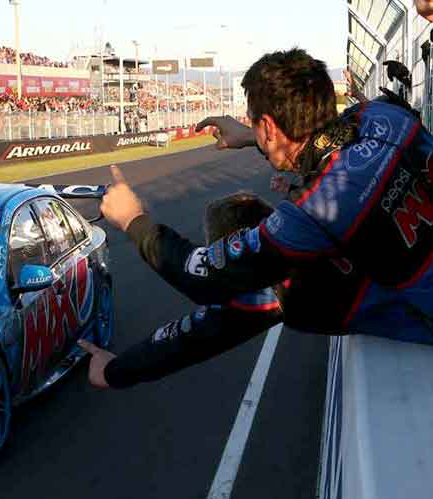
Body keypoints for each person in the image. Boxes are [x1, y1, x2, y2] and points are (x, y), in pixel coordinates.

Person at [80, 48, 433, 386]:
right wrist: (254, 137)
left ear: (269, 125)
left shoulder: (316, 211)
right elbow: (337, 134)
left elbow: (204, 279)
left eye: (256, 124)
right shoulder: (385, 116)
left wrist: (133, 219)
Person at [80, 192, 363, 388]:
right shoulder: (312, 221)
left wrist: (112, 372)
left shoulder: (265, 293)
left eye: (218, 252)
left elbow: (185, 339)